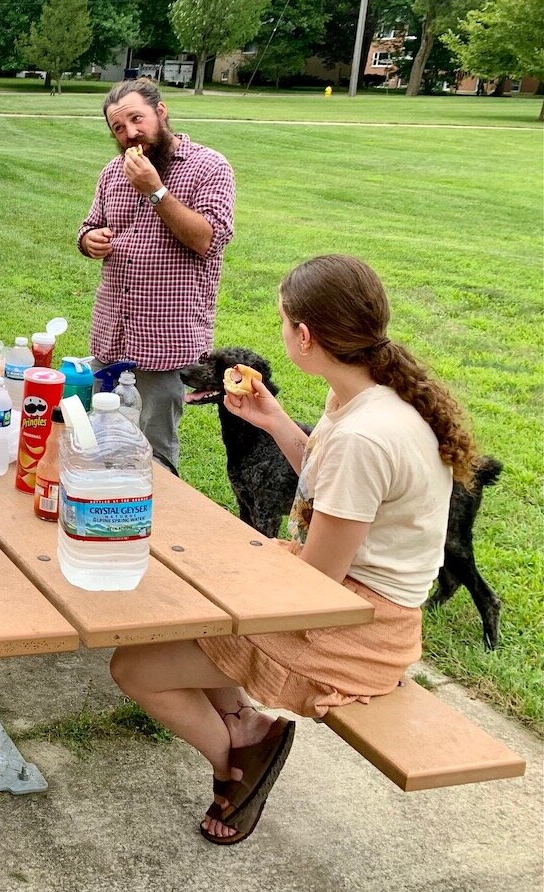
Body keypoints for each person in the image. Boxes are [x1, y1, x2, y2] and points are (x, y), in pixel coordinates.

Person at [110, 254, 479, 845]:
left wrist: (225, 592)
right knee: (168, 601)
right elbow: (332, 489)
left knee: (135, 665)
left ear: (303, 335)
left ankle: (237, 759)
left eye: (283, 320)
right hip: (343, 600)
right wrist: (278, 422)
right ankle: (246, 722)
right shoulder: (363, 398)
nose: (282, 331)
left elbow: (316, 584)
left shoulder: (365, 435)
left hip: (357, 628)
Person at [77, 78, 235, 473]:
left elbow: (206, 239)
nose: (130, 133)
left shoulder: (209, 166)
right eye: (119, 127)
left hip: (165, 342)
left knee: (153, 454)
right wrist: (88, 240)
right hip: (113, 334)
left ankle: (157, 527)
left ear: (160, 113)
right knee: (95, 440)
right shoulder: (113, 172)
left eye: (137, 119)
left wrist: (155, 189)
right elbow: (90, 224)